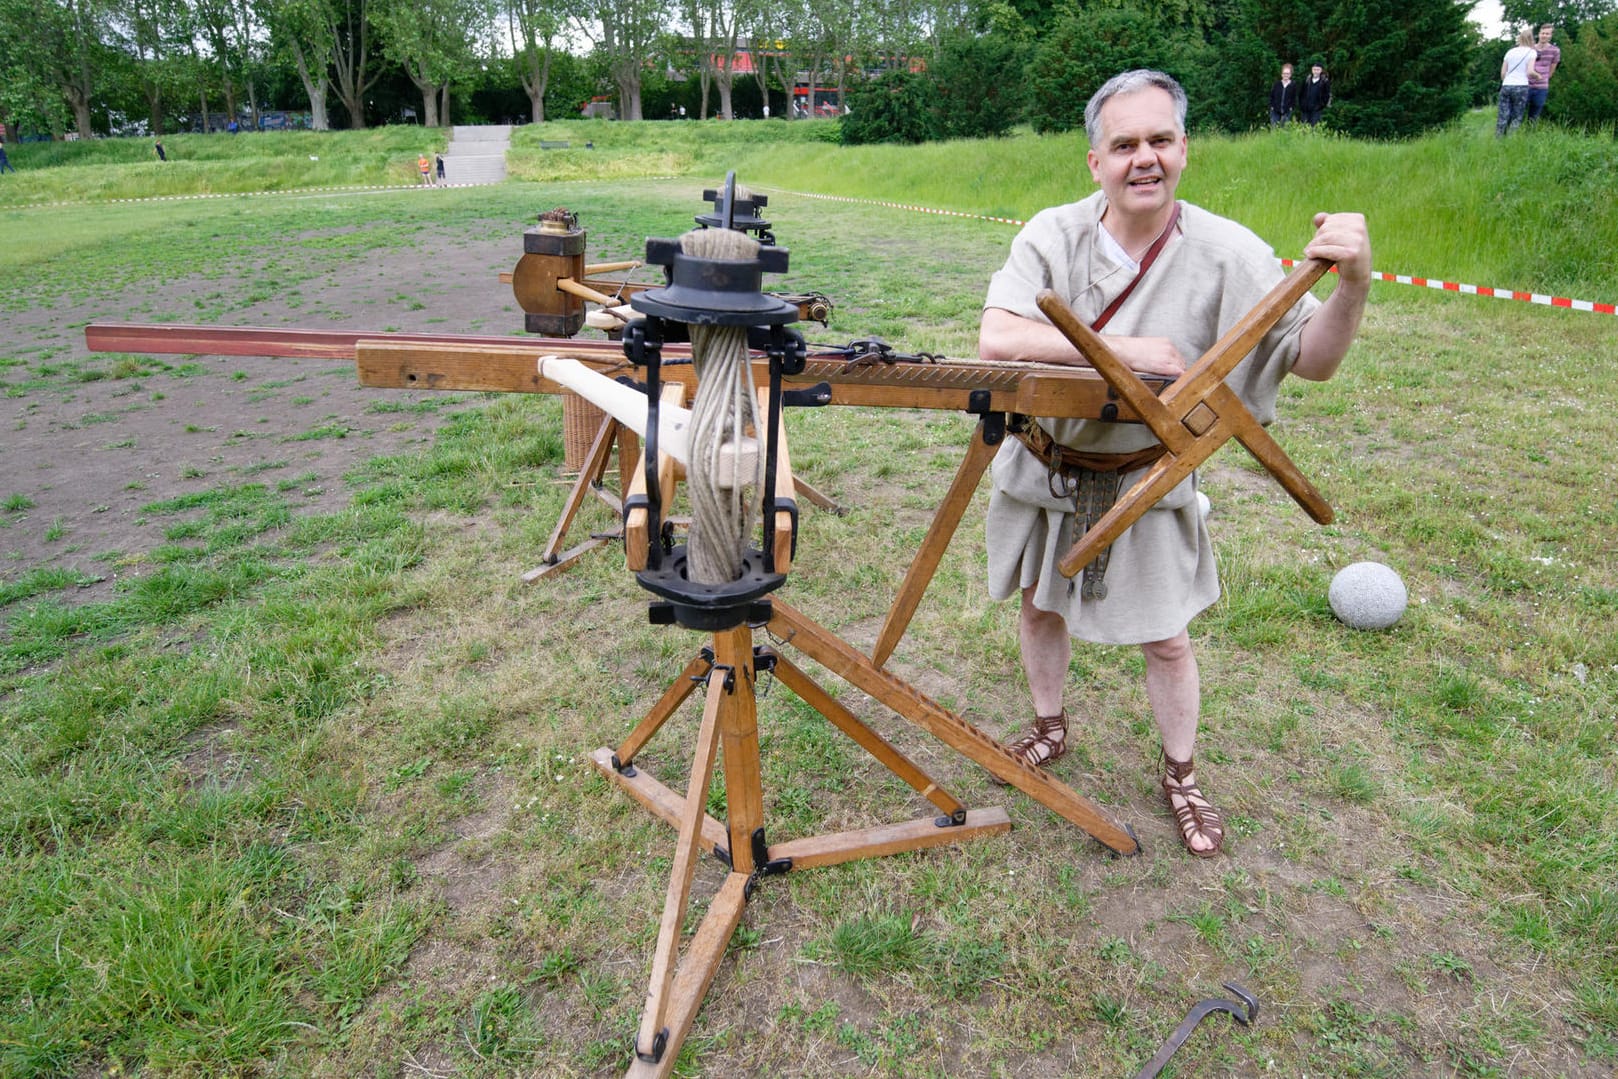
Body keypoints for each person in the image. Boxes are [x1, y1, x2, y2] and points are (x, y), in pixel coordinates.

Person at [977, 69, 1370, 857]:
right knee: (1037, 605)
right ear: (1096, 162)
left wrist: (1354, 283)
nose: (1144, 159)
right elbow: (999, 338)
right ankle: (1050, 725)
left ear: (1184, 148)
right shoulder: (1051, 235)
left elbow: (1312, 358)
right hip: (1047, 464)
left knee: (1167, 637)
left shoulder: (1230, 252)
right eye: (1124, 144)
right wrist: (1129, 353)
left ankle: (1181, 773)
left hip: (1147, 478)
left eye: (1160, 140)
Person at [1497, 29, 1537, 136]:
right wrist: (1539, 76)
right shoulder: (1531, 52)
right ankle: (1511, 138)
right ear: (1531, 39)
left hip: (1506, 85)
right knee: (1517, 115)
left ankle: (1499, 139)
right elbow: (1530, 72)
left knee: (1503, 115)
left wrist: (1507, 81)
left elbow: (1502, 73)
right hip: (1521, 86)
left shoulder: (1510, 52)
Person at [1527, 24, 1561, 122]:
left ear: (1551, 36)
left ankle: (1530, 134)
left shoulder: (1555, 50)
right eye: (1543, 33)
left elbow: (1552, 69)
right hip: (1526, 84)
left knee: (1535, 115)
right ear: (1539, 34)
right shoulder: (1530, 48)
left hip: (1542, 87)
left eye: (1547, 34)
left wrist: (1543, 78)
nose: (1544, 36)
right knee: (1519, 111)